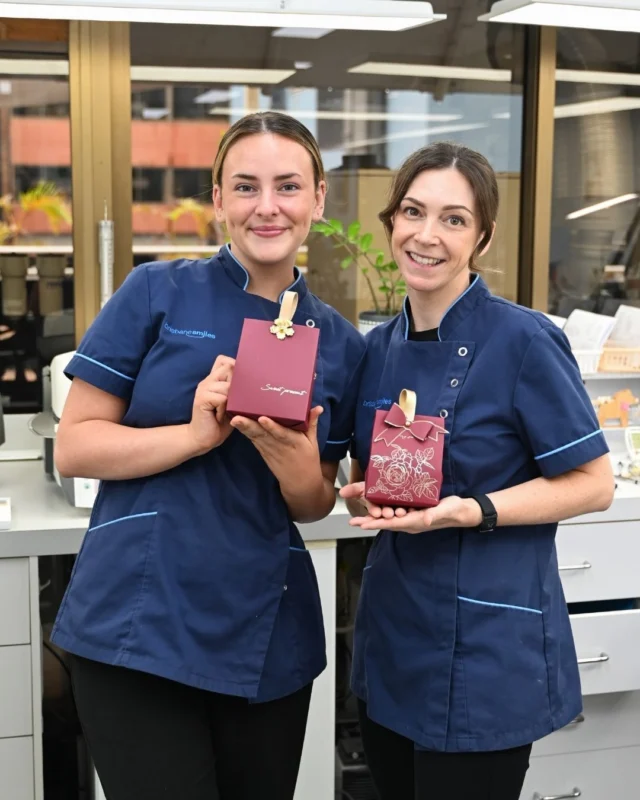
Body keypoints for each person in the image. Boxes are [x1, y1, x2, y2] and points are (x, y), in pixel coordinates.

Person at [51, 111, 366, 800]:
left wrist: (294, 462)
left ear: (318, 198)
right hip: (140, 619)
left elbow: (315, 500)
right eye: (246, 187)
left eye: (287, 186)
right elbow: (75, 447)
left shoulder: (341, 343)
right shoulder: (155, 293)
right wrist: (194, 434)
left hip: (266, 634)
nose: (267, 206)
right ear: (218, 198)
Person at [340, 142, 615, 800]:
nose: (426, 235)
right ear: (392, 223)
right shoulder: (375, 350)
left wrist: (473, 509)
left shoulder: (522, 340)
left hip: (486, 649)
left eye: (454, 219)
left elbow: (594, 483)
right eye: (412, 211)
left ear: (483, 236)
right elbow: (365, 472)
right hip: (393, 642)